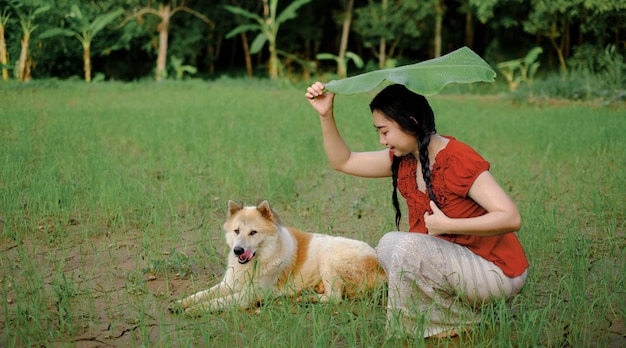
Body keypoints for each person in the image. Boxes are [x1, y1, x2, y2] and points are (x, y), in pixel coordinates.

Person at [305, 81, 529, 339]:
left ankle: (430, 327)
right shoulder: (404, 159)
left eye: (385, 131)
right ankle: (453, 317)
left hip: (497, 272)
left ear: (410, 120)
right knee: (390, 244)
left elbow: (510, 217)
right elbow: (343, 161)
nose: (382, 140)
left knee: (404, 246)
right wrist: (326, 115)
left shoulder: (456, 158)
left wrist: (449, 225)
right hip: (459, 266)